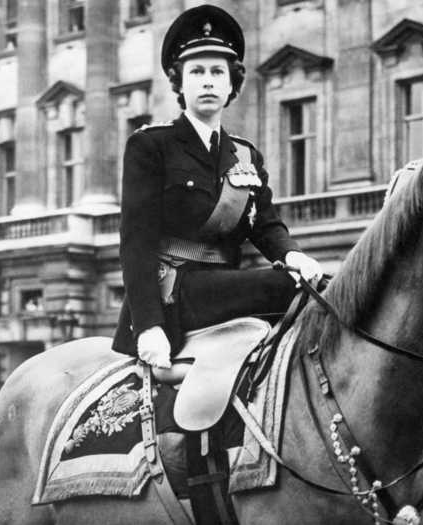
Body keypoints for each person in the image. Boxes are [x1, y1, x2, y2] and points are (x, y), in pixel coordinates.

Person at [112, 5, 322, 368]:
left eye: (216, 72)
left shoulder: (245, 154)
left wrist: (292, 255)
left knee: (321, 288)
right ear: (180, 83)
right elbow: (136, 242)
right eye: (196, 72)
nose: (207, 81)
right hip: (174, 293)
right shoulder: (152, 146)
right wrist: (147, 325)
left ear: (231, 84)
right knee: (283, 288)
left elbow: (266, 224)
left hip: (226, 286)